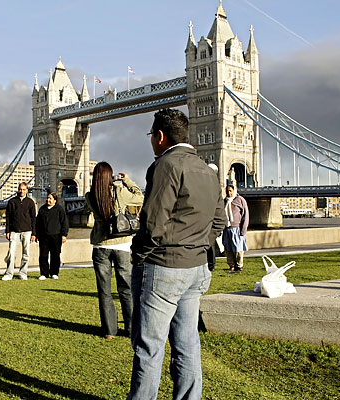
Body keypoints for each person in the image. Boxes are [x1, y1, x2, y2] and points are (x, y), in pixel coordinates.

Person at [128, 108, 225, 399]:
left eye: (151, 136)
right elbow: (219, 221)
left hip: (163, 267)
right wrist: (196, 244)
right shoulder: (208, 170)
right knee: (187, 344)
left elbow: (154, 225)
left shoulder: (165, 166)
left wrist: (138, 252)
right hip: (197, 269)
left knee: (150, 347)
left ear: (159, 136)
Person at [85, 161, 144, 339]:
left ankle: (110, 331)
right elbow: (139, 196)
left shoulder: (90, 196)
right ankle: (131, 328)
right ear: (110, 176)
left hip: (101, 245)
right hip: (122, 244)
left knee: (104, 290)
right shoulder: (119, 191)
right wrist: (126, 181)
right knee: (126, 288)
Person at [3, 182, 36, 281]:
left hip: (27, 230)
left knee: (26, 253)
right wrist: (7, 231)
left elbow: (33, 218)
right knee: (11, 253)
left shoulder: (30, 202)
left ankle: (23, 273)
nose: (22, 191)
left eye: (24, 189)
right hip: (14, 231)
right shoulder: (12, 201)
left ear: (27, 190)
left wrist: (34, 233)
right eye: (20, 189)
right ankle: (9, 274)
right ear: (18, 189)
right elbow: (8, 218)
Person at [35, 192, 69, 280]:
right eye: (48, 198)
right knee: (43, 255)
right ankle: (44, 273)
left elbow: (64, 223)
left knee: (55, 255)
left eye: (50, 198)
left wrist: (64, 235)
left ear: (55, 200)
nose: (48, 200)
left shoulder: (59, 209)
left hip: (56, 235)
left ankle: (54, 273)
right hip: (44, 236)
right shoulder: (42, 209)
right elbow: (37, 223)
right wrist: (36, 234)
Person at [222, 184, 249, 272]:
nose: (228, 193)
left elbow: (245, 215)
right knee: (228, 248)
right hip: (227, 228)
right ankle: (231, 265)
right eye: (227, 191)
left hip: (237, 228)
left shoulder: (240, 200)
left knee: (238, 248)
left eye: (230, 191)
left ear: (234, 191)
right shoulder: (224, 201)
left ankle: (239, 265)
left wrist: (243, 230)